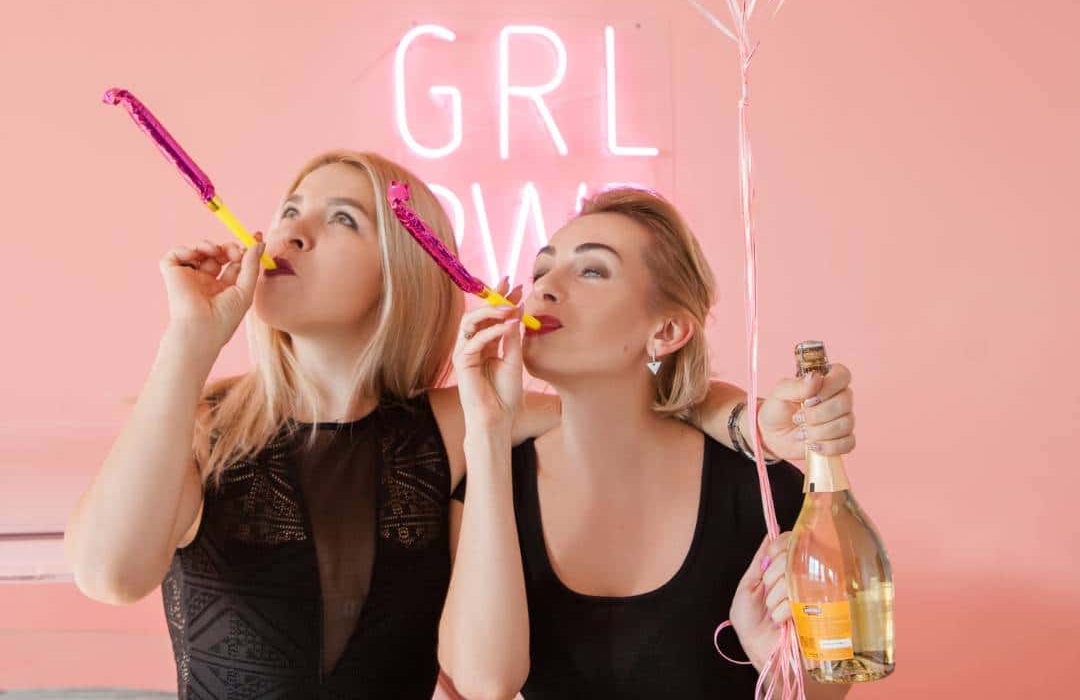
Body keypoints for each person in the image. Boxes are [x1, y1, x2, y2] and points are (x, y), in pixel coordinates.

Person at [66, 154, 850, 698]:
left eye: (341, 218)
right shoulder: (201, 421)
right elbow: (109, 575)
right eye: (288, 210)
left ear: (404, 271)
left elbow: (638, 406)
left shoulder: (449, 428)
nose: (291, 233)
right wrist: (188, 342)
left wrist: (752, 421)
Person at [440, 187, 857, 699]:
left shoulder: (770, 497)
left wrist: (772, 663)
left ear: (667, 330)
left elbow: (823, 694)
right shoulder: (485, 488)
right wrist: (486, 429)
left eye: (592, 271)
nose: (544, 288)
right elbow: (486, 683)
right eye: (541, 270)